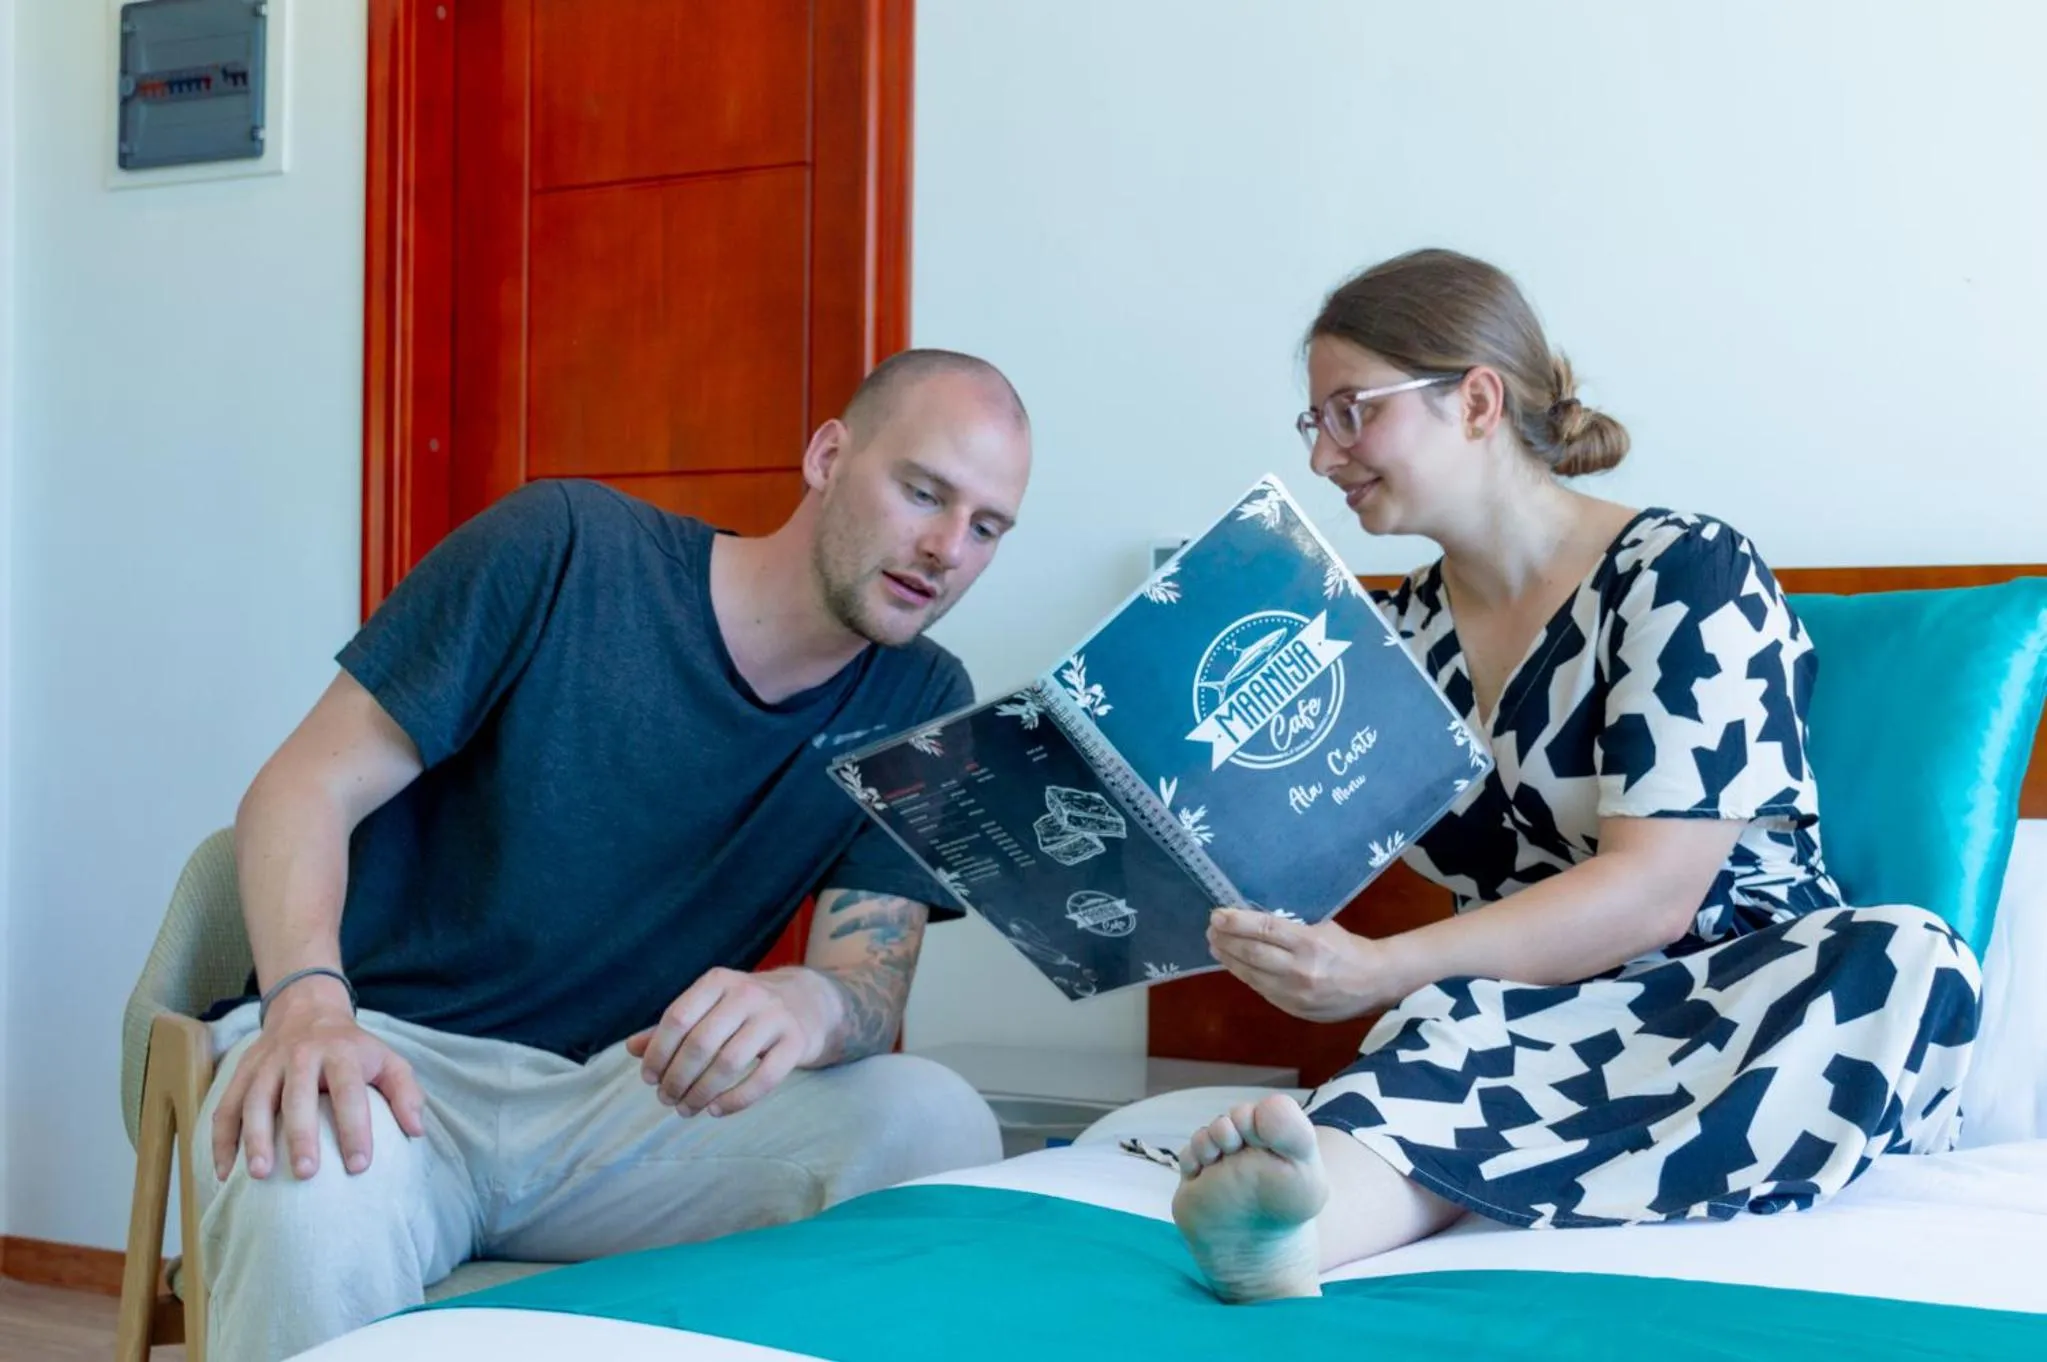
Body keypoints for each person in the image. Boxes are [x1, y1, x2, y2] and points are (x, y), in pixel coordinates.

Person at [1169, 249, 1982, 1303]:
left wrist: (1381, 968)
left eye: (1349, 413)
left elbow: (1656, 893)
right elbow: (1286, 844)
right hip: (1524, 1022)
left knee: (1906, 958)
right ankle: (1292, 1236)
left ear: (1473, 399)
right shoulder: (1384, 642)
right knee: (1453, 1028)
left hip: (1740, 1002)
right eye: (1311, 423)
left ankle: (1398, 1181)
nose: (1324, 457)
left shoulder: (1687, 574)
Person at [194, 349, 1030, 1361]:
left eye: (986, 528)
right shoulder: (563, 550)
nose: (945, 548)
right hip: (391, 1063)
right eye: (922, 492)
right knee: (306, 1187)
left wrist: (805, 1006)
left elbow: (868, 982)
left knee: (934, 1120)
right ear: (827, 455)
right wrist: (307, 1005)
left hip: (630, 1107)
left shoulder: (924, 702)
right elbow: (301, 787)